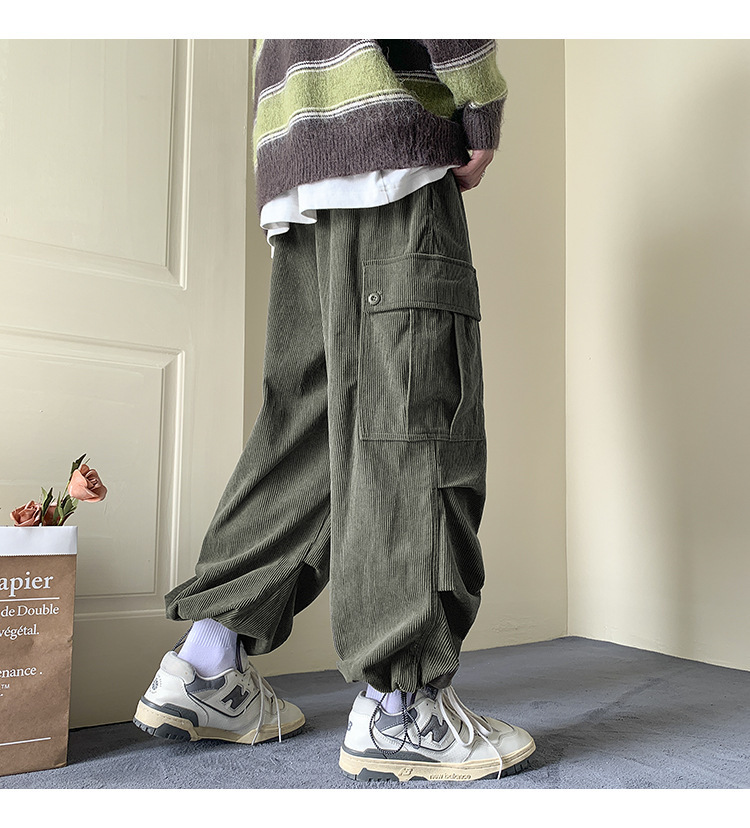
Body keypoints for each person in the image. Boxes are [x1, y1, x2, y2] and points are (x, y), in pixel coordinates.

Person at [133, 38, 536, 783]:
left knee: (311, 431)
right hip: (388, 145)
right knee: (411, 422)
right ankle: (402, 708)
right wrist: (480, 112)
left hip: (299, 160)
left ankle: (208, 663)